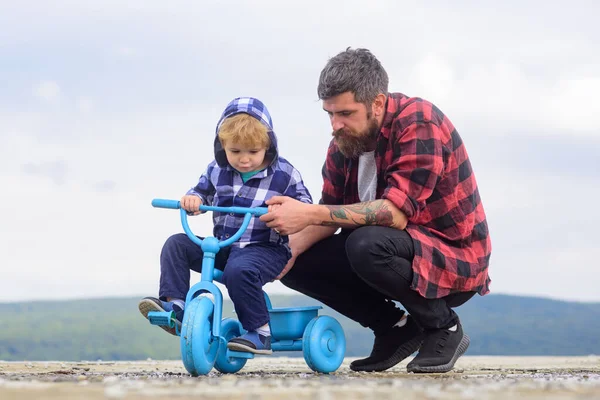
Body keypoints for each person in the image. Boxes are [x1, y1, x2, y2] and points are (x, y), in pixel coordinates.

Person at [260, 48, 492, 373]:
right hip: (392, 249)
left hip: (452, 259)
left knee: (365, 243)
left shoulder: (419, 122)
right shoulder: (344, 146)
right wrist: (286, 253)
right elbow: (329, 216)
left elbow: (394, 215)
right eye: (330, 114)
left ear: (378, 103)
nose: (335, 125)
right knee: (296, 261)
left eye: (345, 113)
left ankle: (444, 327)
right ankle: (394, 329)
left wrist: (308, 213)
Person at [139, 97, 312, 355]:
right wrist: (193, 200)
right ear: (223, 146)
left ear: (268, 145)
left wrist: (283, 211)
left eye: (253, 152)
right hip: (226, 246)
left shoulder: (284, 174)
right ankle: (176, 307)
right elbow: (200, 192)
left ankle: (260, 332)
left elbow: (304, 206)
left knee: (239, 270)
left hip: (266, 249)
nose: (244, 160)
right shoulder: (217, 170)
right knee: (176, 244)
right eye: (235, 152)